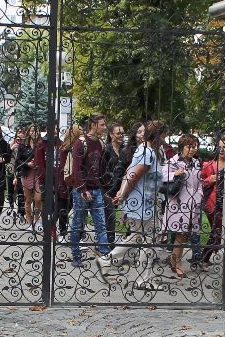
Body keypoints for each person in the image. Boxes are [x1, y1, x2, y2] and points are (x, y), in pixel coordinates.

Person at [109, 120, 168, 292]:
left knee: (139, 237)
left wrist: (122, 192)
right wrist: (122, 194)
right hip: (143, 202)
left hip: (145, 201)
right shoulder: (147, 152)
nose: (164, 140)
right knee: (147, 240)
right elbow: (133, 175)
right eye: (163, 136)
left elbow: (129, 172)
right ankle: (142, 280)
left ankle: (108, 260)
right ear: (157, 135)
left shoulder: (144, 149)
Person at [68, 115, 111, 268]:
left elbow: (102, 168)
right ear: (93, 125)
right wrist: (82, 189)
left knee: (101, 225)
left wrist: (105, 188)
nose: (104, 127)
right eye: (102, 124)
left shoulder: (100, 143)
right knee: (78, 224)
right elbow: (77, 168)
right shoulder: (81, 143)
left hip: (97, 189)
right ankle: (76, 255)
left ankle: (105, 255)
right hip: (82, 191)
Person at [161, 134, 204, 279]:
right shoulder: (173, 161)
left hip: (193, 203)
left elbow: (199, 182)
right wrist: (175, 173)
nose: (192, 149)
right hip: (178, 203)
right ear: (181, 147)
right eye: (189, 146)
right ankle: (177, 263)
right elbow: (162, 176)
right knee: (181, 234)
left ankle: (173, 259)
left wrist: (199, 196)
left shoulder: (196, 162)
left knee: (185, 235)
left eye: (195, 146)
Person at [191, 135, 225, 268]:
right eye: (220, 147)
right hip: (212, 203)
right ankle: (204, 259)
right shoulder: (208, 165)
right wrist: (208, 180)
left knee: (218, 231)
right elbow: (198, 183)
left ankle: (204, 258)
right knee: (217, 230)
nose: (222, 150)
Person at [102, 122, 129, 244]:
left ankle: (130, 240)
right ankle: (109, 244)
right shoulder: (106, 150)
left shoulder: (126, 150)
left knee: (129, 215)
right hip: (109, 188)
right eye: (118, 133)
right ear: (111, 135)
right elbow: (102, 170)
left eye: (122, 133)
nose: (121, 135)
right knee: (111, 216)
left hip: (123, 187)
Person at [18, 124, 41, 231]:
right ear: (29, 132)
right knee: (28, 200)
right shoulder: (23, 145)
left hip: (38, 174)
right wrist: (27, 164)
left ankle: (37, 220)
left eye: (36, 130)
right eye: (32, 130)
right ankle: (30, 222)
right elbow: (18, 160)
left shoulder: (41, 144)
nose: (34, 132)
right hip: (27, 173)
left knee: (38, 198)